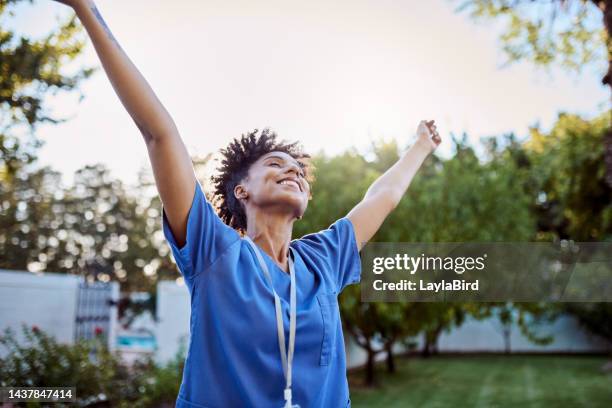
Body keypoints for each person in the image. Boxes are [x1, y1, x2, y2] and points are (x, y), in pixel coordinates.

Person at [52, 1, 442, 407]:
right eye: (276, 165)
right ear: (242, 190)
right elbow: (159, 134)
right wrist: (86, 9)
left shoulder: (323, 260)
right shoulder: (214, 251)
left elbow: (382, 196)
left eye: (300, 173)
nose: (293, 172)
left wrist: (420, 147)